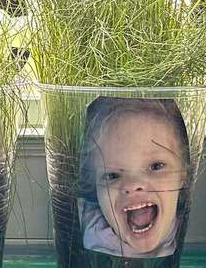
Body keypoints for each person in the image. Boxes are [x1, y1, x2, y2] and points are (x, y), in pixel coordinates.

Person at [78, 98, 190, 258]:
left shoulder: (184, 232)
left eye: (156, 166)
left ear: (183, 174)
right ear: (95, 186)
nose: (134, 185)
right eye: (113, 175)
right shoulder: (85, 224)